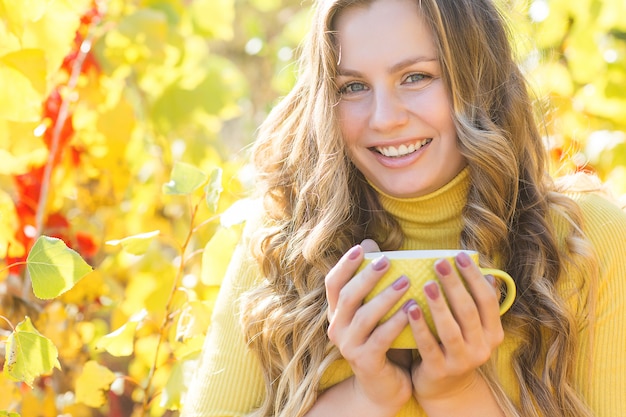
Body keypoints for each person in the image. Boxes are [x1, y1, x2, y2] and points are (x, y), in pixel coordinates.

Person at [181, 0, 626, 416]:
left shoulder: (587, 239)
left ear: (479, 79)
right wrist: (366, 397)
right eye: (353, 86)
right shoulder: (282, 241)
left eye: (415, 77)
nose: (384, 118)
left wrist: (456, 395)